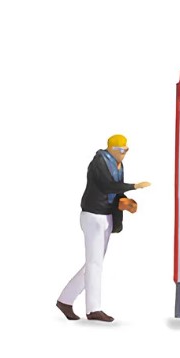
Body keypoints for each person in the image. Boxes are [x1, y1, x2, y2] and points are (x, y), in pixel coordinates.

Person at [56, 134, 151, 322]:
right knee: (94, 264)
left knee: (94, 262)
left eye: (126, 149)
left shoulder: (119, 165)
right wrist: (134, 186)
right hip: (94, 215)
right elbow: (107, 186)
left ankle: (65, 300)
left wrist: (126, 202)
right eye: (121, 150)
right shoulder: (99, 163)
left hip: (106, 215)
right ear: (112, 149)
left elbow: (116, 191)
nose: (124, 153)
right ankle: (93, 309)